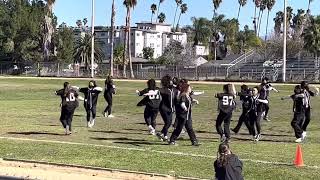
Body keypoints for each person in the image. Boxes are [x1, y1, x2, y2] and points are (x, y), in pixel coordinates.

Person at [157, 75, 176, 141]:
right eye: (170, 80)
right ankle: (162, 133)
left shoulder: (174, 89)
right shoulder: (163, 90)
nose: (171, 82)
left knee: (168, 123)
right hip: (164, 109)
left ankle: (165, 136)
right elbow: (156, 89)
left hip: (171, 109)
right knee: (168, 123)